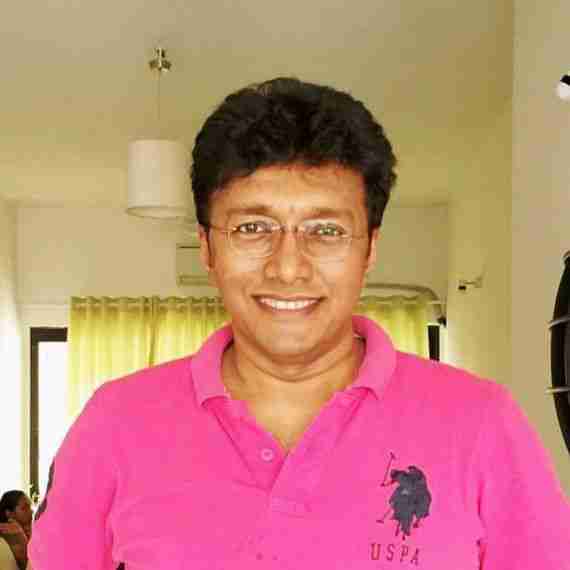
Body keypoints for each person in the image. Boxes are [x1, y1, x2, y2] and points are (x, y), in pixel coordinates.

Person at [30, 78, 570, 569]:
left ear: (369, 249)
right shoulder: (115, 423)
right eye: (252, 227)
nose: (288, 267)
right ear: (207, 248)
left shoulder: (482, 424)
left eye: (325, 231)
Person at [0, 491, 32, 570]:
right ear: (9, 513)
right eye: (25, 508)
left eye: (30, 506)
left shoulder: (32, 533)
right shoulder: (4, 542)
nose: (31, 511)